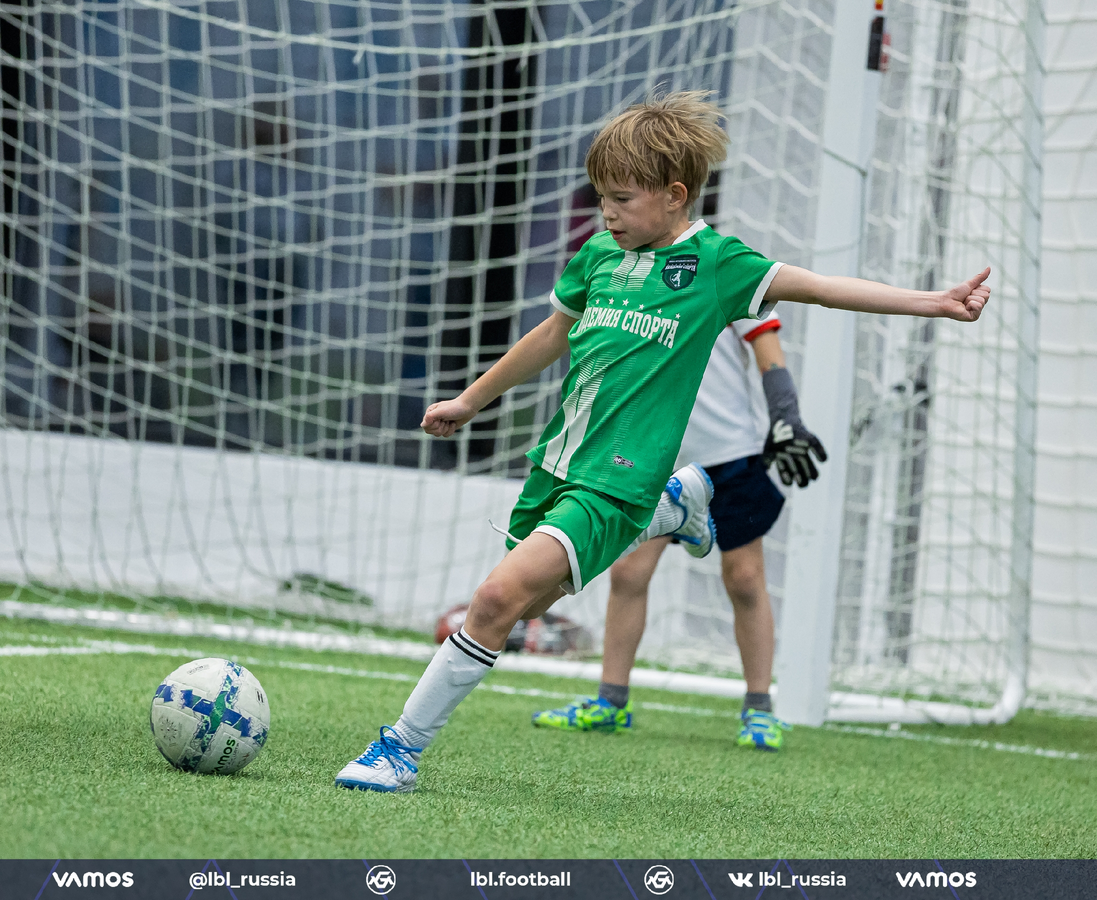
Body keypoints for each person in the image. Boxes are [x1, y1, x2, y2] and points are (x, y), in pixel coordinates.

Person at [333, 91, 990, 793]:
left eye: (620, 198)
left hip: (619, 476)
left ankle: (398, 749)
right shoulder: (597, 256)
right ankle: (672, 511)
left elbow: (821, 288)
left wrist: (935, 303)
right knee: (523, 609)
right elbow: (550, 335)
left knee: (492, 602)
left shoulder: (715, 264)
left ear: (676, 196)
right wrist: (471, 400)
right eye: (601, 198)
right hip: (561, 463)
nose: (606, 212)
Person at [530, 312, 822, 750]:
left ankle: (759, 710)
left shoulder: (734, 268)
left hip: (728, 453)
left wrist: (786, 415)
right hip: (656, 453)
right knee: (628, 573)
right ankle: (611, 702)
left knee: (744, 580)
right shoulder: (639, 272)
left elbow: (769, 352)